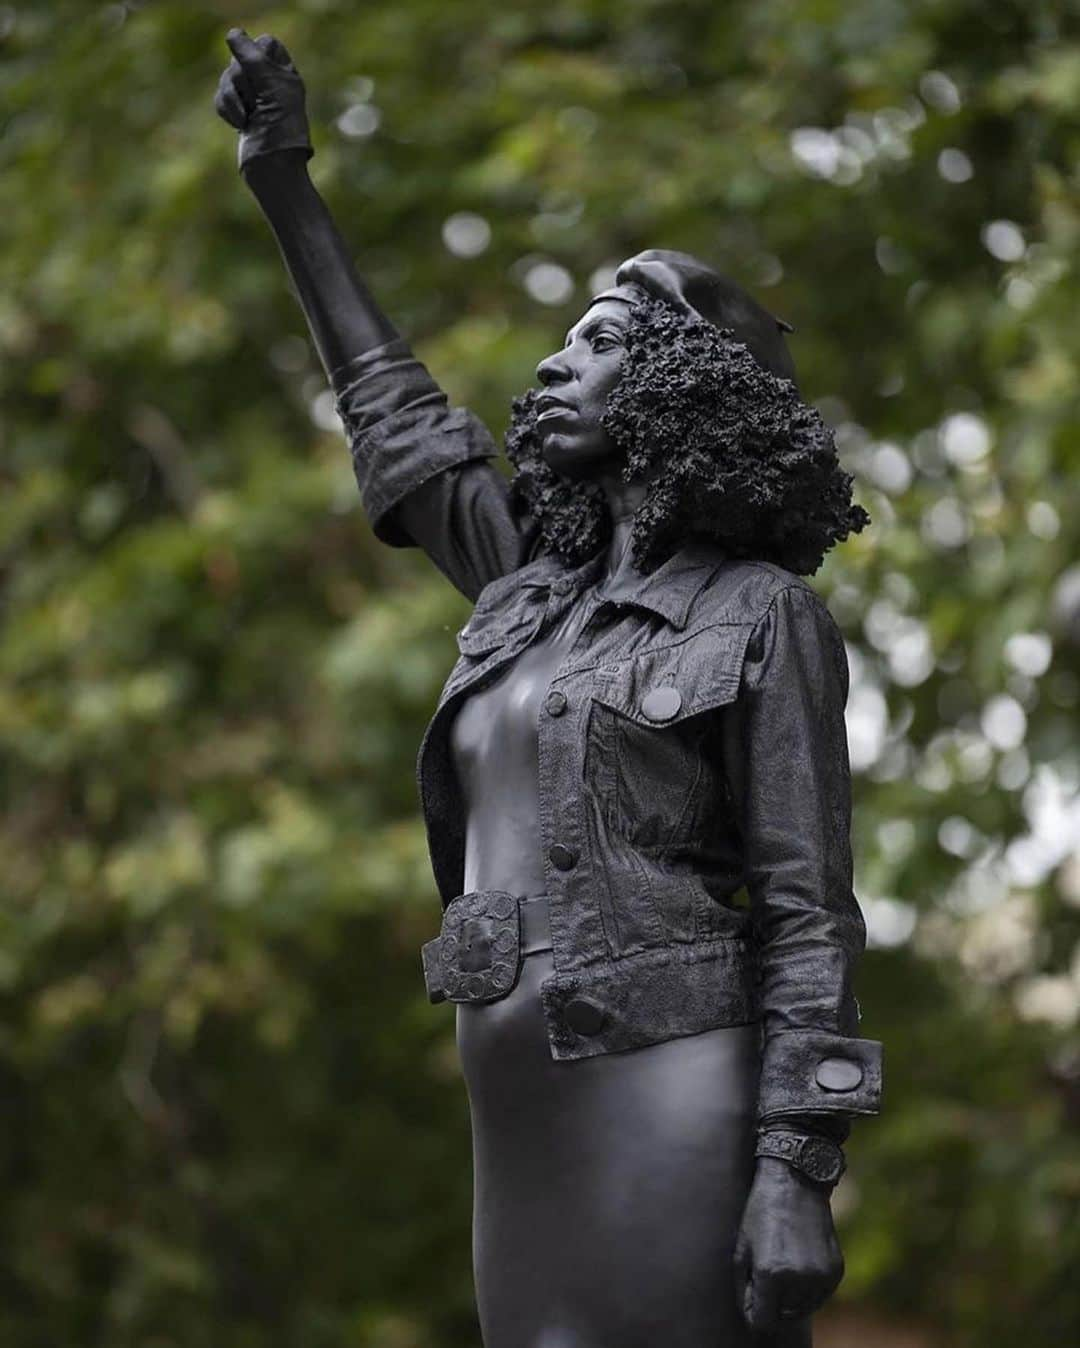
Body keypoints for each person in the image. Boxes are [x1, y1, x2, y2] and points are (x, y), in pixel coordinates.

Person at [214, 29, 883, 1348]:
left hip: (672, 1088)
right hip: (516, 1112)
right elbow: (393, 414)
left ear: (682, 388)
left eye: (597, 344)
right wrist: (284, 181)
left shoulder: (760, 615)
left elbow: (811, 914)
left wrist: (797, 1171)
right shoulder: (527, 589)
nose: (553, 367)